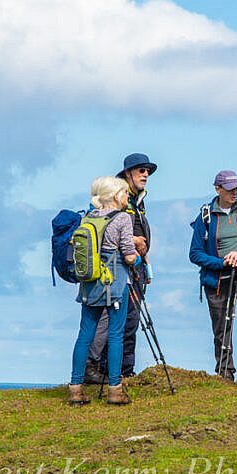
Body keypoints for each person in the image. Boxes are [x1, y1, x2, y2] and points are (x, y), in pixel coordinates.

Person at [83, 152, 158, 384]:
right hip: (116, 270)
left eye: (147, 171)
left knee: (128, 321)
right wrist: (134, 244)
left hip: (133, 269)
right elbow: (104, 226)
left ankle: (123, 369)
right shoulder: (116, 199)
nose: (145, 174)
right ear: (128, 174)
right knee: (113, 321)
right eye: (141, 170)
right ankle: (102, 369)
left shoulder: (137, 201)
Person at [67, 177, 141, 406]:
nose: (128, 197)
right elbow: (129, 255)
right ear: (116, 196)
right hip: (115, 283)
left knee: (84, 334)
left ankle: (75, 388)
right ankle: (115, 390)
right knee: (116, 334)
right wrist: (138, 257)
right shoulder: (123, 219)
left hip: (90, 283)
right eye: (125, 193)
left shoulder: (88, 217)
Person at [188, 170, 237, 381]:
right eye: (229, 189)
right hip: (217, 280)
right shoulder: (205, 216)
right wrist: (221, 263)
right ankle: (225, 371)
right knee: (221, 327)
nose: (234, 193)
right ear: (218, 189)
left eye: (236, 188)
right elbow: (195, 253)